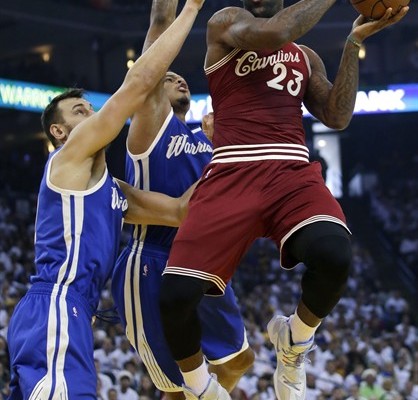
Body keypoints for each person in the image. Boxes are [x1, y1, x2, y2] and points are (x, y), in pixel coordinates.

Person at [158, 0, 409, 399]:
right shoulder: (226, 23)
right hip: (231, 170)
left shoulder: (305, 57)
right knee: (173, 297)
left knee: (335, 254)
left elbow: (337, 116)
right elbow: (275, 33)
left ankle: (294, 339)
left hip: (290, 171)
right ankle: (199, 387)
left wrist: (351, 44)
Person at [6, 0, 206, 398]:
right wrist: (191, 10)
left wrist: (233, 153)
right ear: (61, 132)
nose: (92, 115)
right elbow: (137, 87)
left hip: (72, 313)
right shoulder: (68, 157)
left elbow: (183, 211)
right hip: (56, 304)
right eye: (81, 111)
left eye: (90, 107)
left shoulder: (112, 191)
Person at [111, 0, 254, 399]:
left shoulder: (206, 142)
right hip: (152, 260)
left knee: (240, 361)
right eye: (168, 77)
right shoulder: (151, 128)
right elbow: (159, 23)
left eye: (181, 78)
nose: (178, 79)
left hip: (201, 261)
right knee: (176, 390)